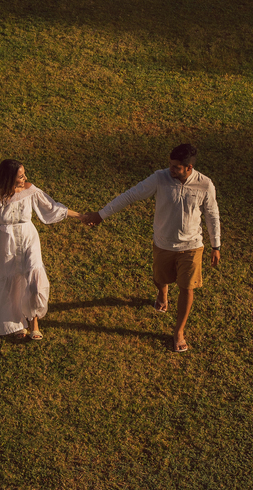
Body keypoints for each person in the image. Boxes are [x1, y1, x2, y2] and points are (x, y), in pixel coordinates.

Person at [82, 143, 221, 353]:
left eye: (176, 167)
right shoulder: (160, 178)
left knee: (187, 287)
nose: (170, 170)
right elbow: (130, 195)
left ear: (189, 168)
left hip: (192, 246)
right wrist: (101, 215)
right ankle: (162, 294)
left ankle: (178, 332)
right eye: (170, 165)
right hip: (163, 243)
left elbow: (212, 215)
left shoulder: (205, 185)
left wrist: (215, 245)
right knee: (160, 278)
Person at [0, 159, 82, 340]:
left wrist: (80, 216)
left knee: (35, 281)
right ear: (9, 178)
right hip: (8, 242)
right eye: (21, 176)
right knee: (12, 282)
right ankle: (16, 324)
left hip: (29, 237)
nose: (25, 178)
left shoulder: (29, 191)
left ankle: (34, 323)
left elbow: (51, 208)